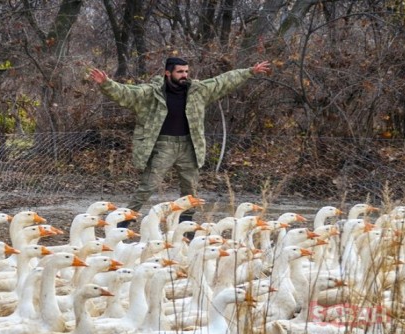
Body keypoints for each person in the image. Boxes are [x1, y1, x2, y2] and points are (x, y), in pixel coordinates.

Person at [90, 57, 271, 228]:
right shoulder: (152, 93)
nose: (184, 75)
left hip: (189, 146)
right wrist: (106, 84)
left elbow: (223, 81)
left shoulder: (198, 91)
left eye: (186, 71)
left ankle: (186, 225)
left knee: (190, 190)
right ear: (167, 73)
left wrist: (250, 71)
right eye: (180, 72)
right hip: (163, 145)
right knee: (148, 185)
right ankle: (125, 221)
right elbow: (127, 93)